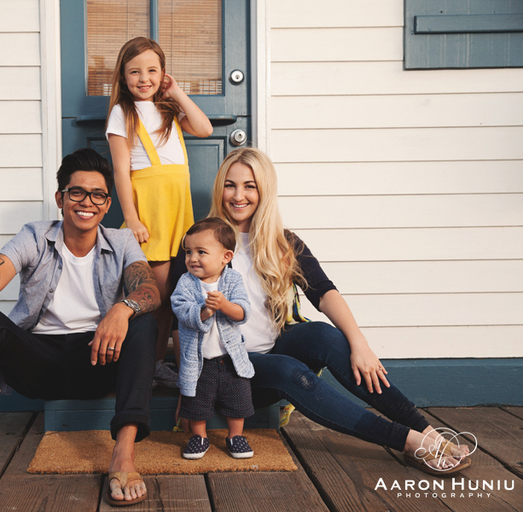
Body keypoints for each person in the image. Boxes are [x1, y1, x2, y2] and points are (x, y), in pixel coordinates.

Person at [177, 146, 472, 476]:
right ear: (220, 188)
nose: (239, 195)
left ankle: (426, 431)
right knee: (288, 369)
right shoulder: (198, 243)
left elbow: (324, 292)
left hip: (272, 349)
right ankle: (407, 442)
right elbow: (180, 316)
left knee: (322, 334)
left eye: (250, 186)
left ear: (264, 191)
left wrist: (359, 343)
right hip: (229, 372)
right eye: (230, 185)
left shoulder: (282, 241)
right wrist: (187, 384)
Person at [0, 148, 160, 506]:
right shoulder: (35, 236)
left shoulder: (122, 242)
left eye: (97, 195)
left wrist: (122, 309)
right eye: (77, 192)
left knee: (143, 321)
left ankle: (123, 455)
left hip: (99, 359)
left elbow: (149, 289)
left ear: (106, 204)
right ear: (60, 198)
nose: (87, 202)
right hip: (40, 363)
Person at [106, 36, 213, 388]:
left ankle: (153, 365)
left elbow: (205, 128)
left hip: (177, 211)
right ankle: (143, 366)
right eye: (135, 71)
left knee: (172, 297)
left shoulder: (167, 109)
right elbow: (122, 171)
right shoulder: (123, 113)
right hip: (150, 213)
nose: (144, 78)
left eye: (152, 71)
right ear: (122, 77)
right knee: (155, 295)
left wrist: (178, 93)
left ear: (163, 74)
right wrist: (133, 218)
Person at [171, 218, 255, 460]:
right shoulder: (186, 283)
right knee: (196, 401)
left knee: (237, 399)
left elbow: (243, 312)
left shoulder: (232, 280)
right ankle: (199, 436)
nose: (192, 258)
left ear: (225, 257)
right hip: (199, 361)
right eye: (188, 252)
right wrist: (205, 311)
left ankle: (235, 435)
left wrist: (225, 305)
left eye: (201, 252)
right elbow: (181, 310)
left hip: (230, 358)